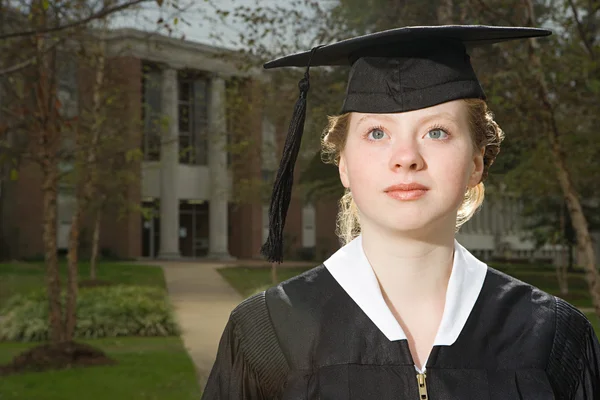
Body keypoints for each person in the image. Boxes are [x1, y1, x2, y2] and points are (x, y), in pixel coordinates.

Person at [202, 25, 600, 399]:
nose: (406, 157)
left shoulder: (552, 336)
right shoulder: (266, 332)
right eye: (377, 133)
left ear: (476, 162)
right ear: (343, 164)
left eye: (437, 132)